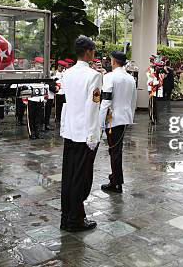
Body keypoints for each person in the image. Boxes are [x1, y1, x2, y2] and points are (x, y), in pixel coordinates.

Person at [60, 36, 102, 232]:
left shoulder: (67, 73)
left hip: (70, 131)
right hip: (85, 134)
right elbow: (93, 107)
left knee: (69, 176)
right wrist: (93, 136)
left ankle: (67, 216)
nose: (94, 54)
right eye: (93, 51)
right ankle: (75, 219)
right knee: (82, 179)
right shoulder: (94, 76)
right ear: (88, 52)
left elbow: (66, 104)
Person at [99, 51, 137, 194]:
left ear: (114, 61)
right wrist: (130, 117)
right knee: (115, 150)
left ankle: (116, 182)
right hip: (124, 118)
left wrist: (100, 123)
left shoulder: (109, 77)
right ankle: (115, 179)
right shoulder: (130, 79)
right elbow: (134, 101)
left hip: (112, 119)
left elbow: (105, 101)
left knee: (114, 151)